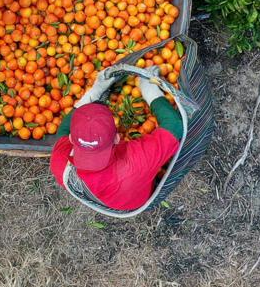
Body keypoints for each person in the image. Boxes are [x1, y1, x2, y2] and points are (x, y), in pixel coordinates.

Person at [49, 76, 183, 210]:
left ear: (71, 138)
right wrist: (150, 91)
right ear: (117, 138)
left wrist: (93, 93)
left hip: (103, 199)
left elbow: (63, 129)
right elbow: (175, 125)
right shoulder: (136, 161)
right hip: (136, 199)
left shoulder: (59, 160)